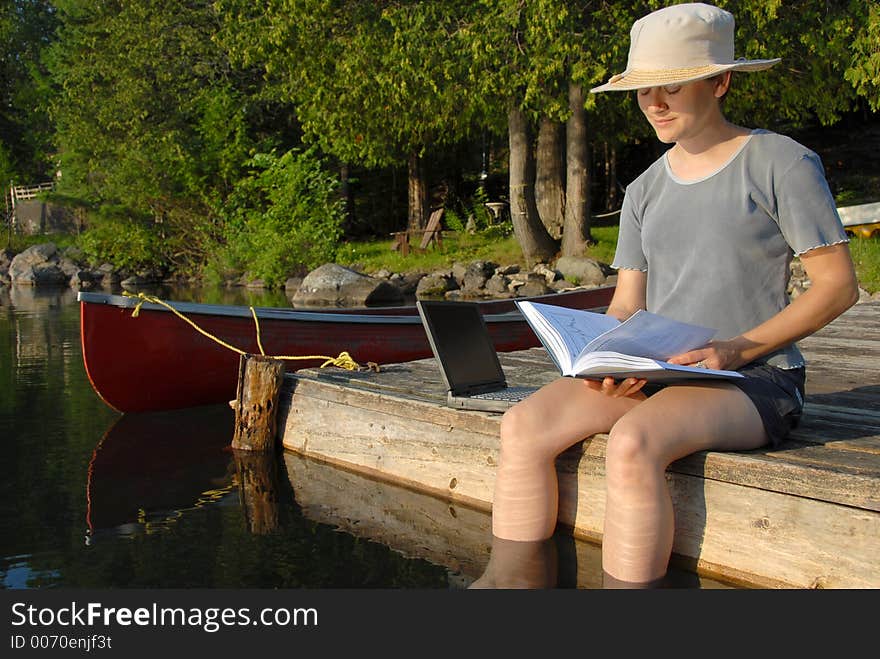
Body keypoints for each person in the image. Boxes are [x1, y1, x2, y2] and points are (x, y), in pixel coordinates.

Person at [477, 2, 859, 588]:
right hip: (654, 371)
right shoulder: (644, 189)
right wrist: (603, 358)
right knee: (522, 427)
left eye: (672, 87)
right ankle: (511, 589)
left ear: (721, 81)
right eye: (643, 92)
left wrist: (737, 349)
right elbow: (628, 304)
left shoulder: (780, 161)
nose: (654, 104)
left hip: (754, 378)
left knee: (633, 441)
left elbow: (838, 286)